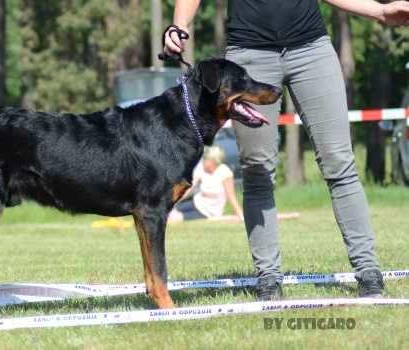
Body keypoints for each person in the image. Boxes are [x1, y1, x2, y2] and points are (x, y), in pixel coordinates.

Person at [164, 0, 409, 300]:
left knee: (340, 163)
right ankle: (268, 278)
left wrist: (379, 11)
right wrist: (179, 25)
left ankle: (368, 272)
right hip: (249, 54)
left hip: (312, 50)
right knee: (257, 169)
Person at [169, 146, 243, 222]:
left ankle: (217, 218)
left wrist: (239, 214)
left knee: (174, 218)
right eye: (204, 159)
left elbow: (231, 196)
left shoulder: (225, 172)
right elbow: (189, 187)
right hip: (196, 202)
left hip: (207, 212)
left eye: (206, 160)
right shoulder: (201, 167)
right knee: (168, 211)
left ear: (214, 161)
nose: (204, 161)